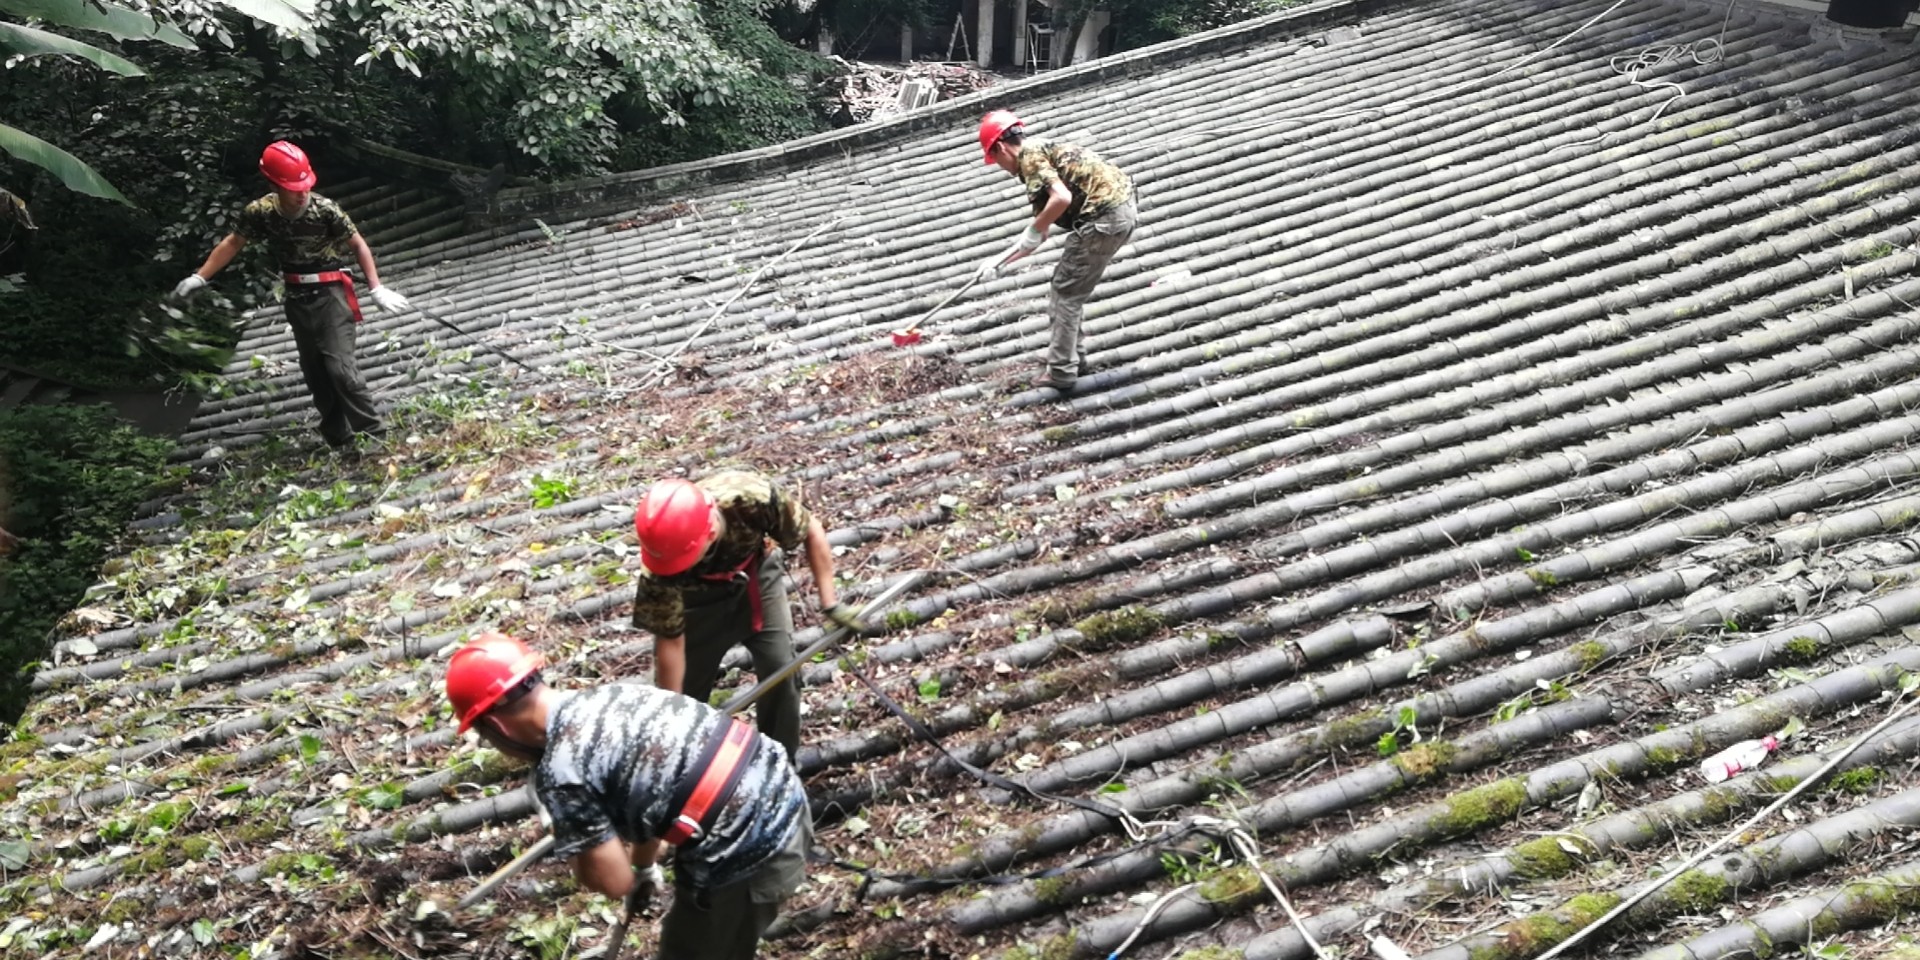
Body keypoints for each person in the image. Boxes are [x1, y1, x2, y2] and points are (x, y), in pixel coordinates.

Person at [445, 632, 811, 960]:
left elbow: (612, 882)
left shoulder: (561, 773)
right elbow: (650, 794)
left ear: (494, 724)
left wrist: (569, 837)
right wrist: (643, 865)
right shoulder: (612, 695)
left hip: (752, 849)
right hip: (786, 795)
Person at [171, 140, 411, 450]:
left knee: (341, 368)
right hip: (297, 299)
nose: (301, 193)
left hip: (331, 295)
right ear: (273, 184)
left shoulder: (324, 209)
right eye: (292, 187)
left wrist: (376, 287)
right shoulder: (261, 212)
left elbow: (358, 244)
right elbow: (233, 242)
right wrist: (199, 277)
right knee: (317, 375)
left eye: (305, 185)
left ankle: (375, 435)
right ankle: (340, 439)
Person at [629, 470, 865, 759]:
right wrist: (676, 710)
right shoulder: (661, 563)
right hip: (696, 602)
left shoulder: (752, 498)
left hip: (754, 577)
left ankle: (778, 760)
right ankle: (689, 766)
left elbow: (811, 530)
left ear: (711, 533)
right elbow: (670, 641)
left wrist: (830, 603)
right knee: (685, 698)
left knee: (781, 668)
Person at [975, 109, 1138, 393]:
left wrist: (1034, 229)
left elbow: (1061, 200)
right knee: (1069, 291)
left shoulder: (1030, 158)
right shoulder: (1043, 154)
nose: (1000, 167)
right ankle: (1073, 358)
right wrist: (999, 262)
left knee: (1065, 294)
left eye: (996, 160)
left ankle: (1062, 371)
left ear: (1000, 147)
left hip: (1103, 220)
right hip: (1119, 215)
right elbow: (1039, 234)